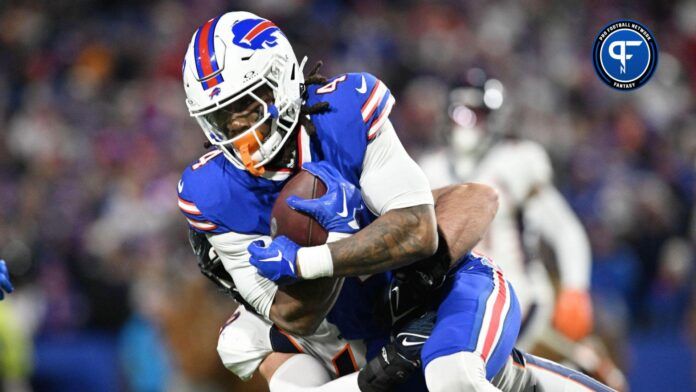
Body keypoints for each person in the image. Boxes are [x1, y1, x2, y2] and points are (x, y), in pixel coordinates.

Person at [178, 12, 614, 392]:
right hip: (379, 338)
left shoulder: (343, 112)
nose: (242, 132)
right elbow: (299, 317)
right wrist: (375, 375)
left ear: (282, 79)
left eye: (251, 107)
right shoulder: (216, 209)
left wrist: (314, 258)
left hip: (445, 294)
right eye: (222, 119)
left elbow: (442, 219)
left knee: (456, 377)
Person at [418, 69, 625, 389]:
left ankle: (579, 372)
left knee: (490, 370)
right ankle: (581, 366)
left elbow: (564, 229)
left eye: (480, 114)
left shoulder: (517, 160)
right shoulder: (429, 168)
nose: (470, 123)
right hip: (458, 297)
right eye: (463, 113)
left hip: (519, 294)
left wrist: (575, 288)